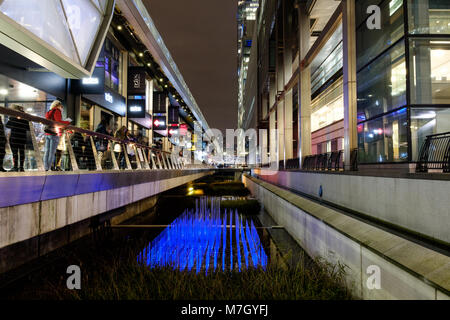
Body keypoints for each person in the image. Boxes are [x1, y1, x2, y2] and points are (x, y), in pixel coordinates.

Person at [43, 100, 71, 171]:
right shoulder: (57, 111)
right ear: (58, 105)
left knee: (47, 151)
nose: (61, 108)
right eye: (61, 106)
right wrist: (68, 122)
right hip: (54, 133)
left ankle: (45, 167)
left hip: (47, 133)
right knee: (52, 152)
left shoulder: (49, 111)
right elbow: (59, 122)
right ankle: (48, 168)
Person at [6, 105, 30, 172]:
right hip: (22, 137)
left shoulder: (13, 116)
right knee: (22, 152)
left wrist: (10, 119)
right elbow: (28, 128)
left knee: (15, 153)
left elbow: (7, 125)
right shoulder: (25, 116)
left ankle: (15, 167)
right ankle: (21, 167)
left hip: (14, 137)